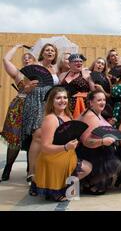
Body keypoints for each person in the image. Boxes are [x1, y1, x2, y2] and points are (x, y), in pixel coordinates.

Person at [29, 87, 92, 201]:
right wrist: (65, 147)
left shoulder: (68, 116)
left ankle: (59, 187)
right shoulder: (51, 119)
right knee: (73, 190)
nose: (62, 100)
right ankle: (49, 186)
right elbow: (45, 147)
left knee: (87, 168)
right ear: (52, 101)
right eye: (58, 98)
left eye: (65, 97)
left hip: (67, 156)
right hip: (54, 158)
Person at [22, 43, 60, 183]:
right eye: (47, 50)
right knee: (37, 135)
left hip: (50, 102)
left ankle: (42, 169)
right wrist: (29, 86)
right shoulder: (33, 67)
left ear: (55, 54)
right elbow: (24, 89)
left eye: (52, 50)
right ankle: (31, 171)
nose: (50, 52)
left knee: (48, 135)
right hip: (36, 101)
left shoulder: (56, 69)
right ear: (42, 53)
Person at [0, 44, 36, 182]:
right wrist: (18, 46)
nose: (26, 59)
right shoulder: (18, 72)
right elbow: (5, 59)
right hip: (18, 107)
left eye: (29, 57)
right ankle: (8, 168)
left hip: (34, 107)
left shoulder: (41, 72)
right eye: (24, 58)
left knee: (31, 138)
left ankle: (29, 170)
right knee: (14, 140)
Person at [77, 90, 121, 195]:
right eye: (99, 100)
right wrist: (102, 141)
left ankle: (93, 183)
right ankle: (88, 183)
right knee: (116, 164)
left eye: (104, 100)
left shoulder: (97, 113)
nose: (102, 102)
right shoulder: (90, 116)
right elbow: (86, 141)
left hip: (99, 151)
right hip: (92, 154)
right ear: (90, 102)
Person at [59, 54, 90, 119]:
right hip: (65, 105)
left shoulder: (87, 74)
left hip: (82, 105)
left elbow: (93, 91)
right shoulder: (62, 75)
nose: (79, 63)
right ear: (69, 64)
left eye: (81, 61)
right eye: (76, 61)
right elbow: (59, 90)